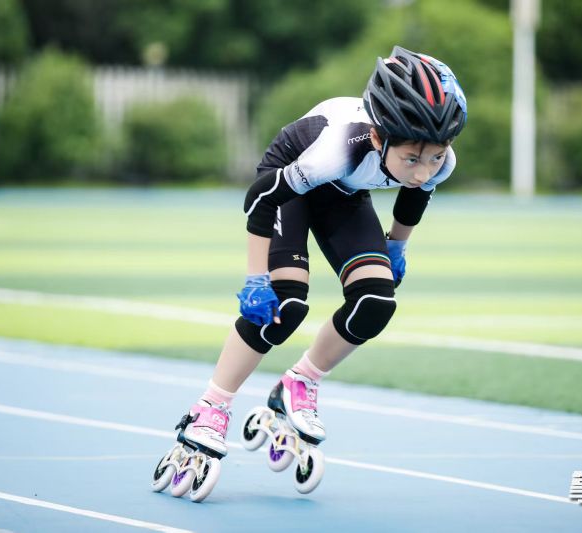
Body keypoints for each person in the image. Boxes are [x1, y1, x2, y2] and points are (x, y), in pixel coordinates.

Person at [178, 45, 467, 457]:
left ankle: (301, 381)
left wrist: (396, 247)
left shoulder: (440, 160)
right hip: (287, 185)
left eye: (435, 157)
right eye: (412, 158)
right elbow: (261, 199)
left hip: (344, 193)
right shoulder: (337, 152)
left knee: (376, 300)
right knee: (285, 305)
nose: (424, 171)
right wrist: (256, 279)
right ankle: (210, 407)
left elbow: (414, 198)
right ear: (378, 137)